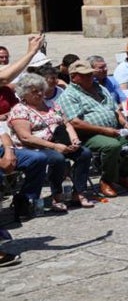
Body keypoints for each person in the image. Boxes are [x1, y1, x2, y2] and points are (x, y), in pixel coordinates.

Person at [58, 60, 128, 197]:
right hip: (89, 135)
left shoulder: (100, 88)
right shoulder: (69, 95)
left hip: (114, 130)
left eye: (90, 74)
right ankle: (107, 180)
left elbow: (115, 110)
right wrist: (103, 130)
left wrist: (126, 124)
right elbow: (75, 122)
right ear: (74, 77)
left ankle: (122, 173)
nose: (90, 77)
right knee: (111, 146)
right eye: (85, 75)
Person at [8, 69, 95, 211]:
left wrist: (74, 139)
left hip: (60, 142)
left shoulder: (52, 105)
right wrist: (54, 146)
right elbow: (25, 137)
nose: (40, 94)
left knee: (84, 153)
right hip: (35, 147)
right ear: (24, 93)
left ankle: (78, 193)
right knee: (57, 159)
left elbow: (66, 123)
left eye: (41, 90)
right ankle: (57, 196)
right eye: (35, 91)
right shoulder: (20, 110)